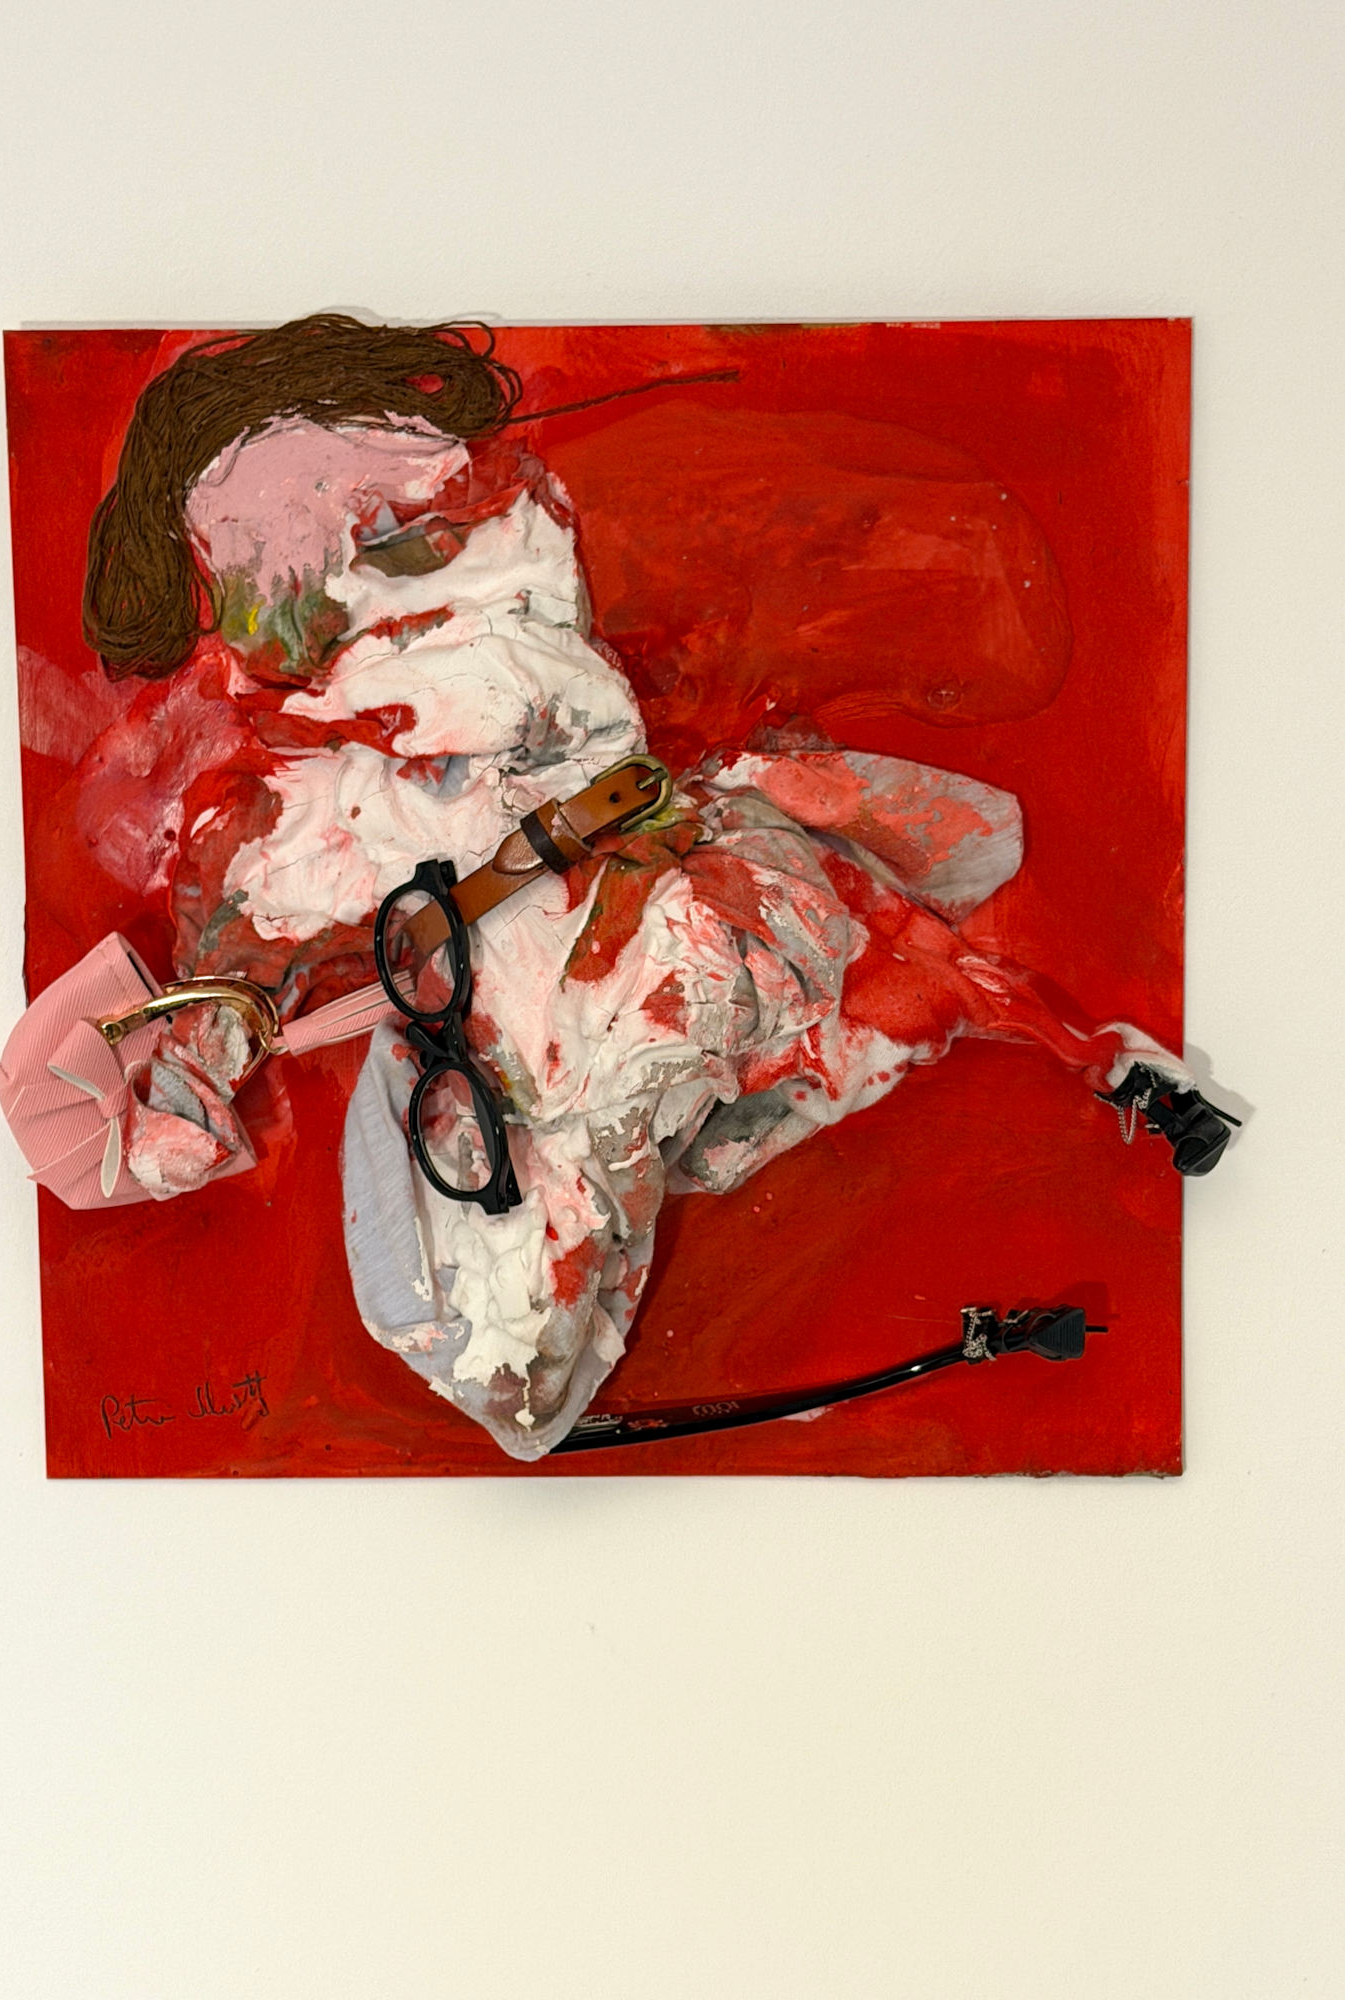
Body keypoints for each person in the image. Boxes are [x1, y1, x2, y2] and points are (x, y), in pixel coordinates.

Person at [72, 313, 1231, 1459]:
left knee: (522, 1356)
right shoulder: (302, 783)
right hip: (579, 974)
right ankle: (1095, 1060)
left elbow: (543, 716)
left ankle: (1099, 1059)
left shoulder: (465, 607)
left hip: (635, 928)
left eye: (419, 526)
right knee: (519, 1366)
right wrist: (172, 1074)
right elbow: (232, 1007)